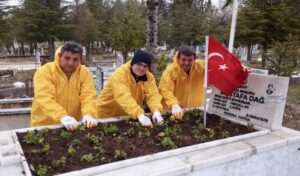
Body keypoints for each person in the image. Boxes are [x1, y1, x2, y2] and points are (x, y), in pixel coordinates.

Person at [31, 41, 98, 131]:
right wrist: (62, 116)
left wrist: (88, 113)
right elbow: (44, 97)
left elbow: (88, 95)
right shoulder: (45, 71)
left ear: (80, 60)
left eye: (75, 59)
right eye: (67, 58)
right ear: (59, 56)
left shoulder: (85, 73)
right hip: (44, 125)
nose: (70, 63)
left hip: (71, 125)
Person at [96, 50, 164, 127]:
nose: (142, 68)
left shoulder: (149, 77)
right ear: (133, 62)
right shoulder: (119, 75)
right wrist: (139, 114)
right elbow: (123, 96)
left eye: (145, 66)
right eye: (139, 64)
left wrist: (156, 111)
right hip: (106, 116)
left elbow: (153, 95)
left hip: (128, 116)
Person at [159, 45, 205, 119]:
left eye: (190, 60)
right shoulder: (170, 71)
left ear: (194, 59)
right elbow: (165, 89)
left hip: (194, 110)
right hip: (174, 111)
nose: (186, 63)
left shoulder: (201, 66)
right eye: (183, 59)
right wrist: (174, 104)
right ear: (178, 58)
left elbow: (215, 68)